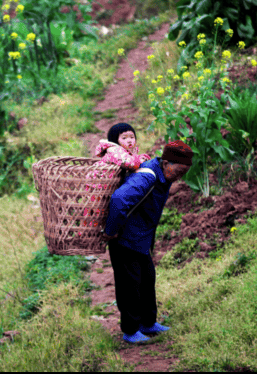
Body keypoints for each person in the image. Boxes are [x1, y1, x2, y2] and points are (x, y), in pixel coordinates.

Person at [101, 140, 193, 344]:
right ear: (166, 163)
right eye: (179, 171)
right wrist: (111, 231)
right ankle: (131, 330)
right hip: (125, 239)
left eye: (184, 173)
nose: (179, 177)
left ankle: (148, 323)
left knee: (147, 279)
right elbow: (119, 200)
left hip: (141, 237)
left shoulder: (163, 175)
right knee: (130, 285)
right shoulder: (147, 176)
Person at [81, 123, 152, 230]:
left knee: (104, 211)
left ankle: (100, 231)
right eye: (124, 138)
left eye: (132, 137)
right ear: (115, 141)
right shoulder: (114, 150)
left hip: (107, 185)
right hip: (98, 184)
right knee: (94, 211)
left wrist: (141, 157)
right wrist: (139, 160)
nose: (129, 140)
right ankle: (87, 233)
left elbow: (133, 159)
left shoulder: (127, 152)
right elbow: (130, 163)